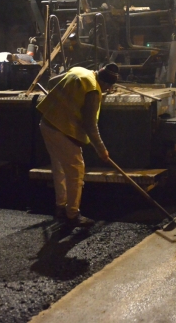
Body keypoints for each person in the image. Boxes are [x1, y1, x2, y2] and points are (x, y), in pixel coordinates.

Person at [36, 63, 119, 228]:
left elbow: (52, 82)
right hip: (63, 130)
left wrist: (64, 101)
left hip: (47, 123)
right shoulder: (93, 90)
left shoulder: (79, 71)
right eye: (108, 88)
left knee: (59, 167)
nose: (107, 91)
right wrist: (101, 150)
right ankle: (72, 215)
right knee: (75, 171)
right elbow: (90, 125)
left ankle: (61, 206)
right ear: (106, 83)